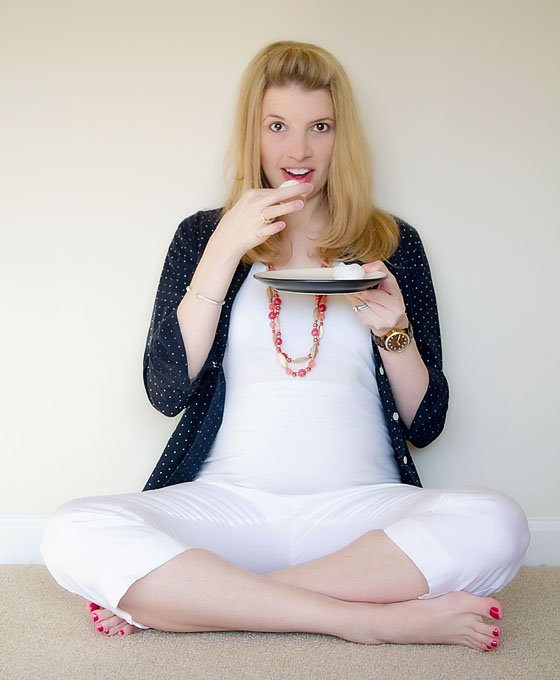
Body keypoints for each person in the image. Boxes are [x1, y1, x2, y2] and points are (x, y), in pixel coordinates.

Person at [41, 40, 529, 650]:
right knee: (71, 530)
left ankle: (202, 600)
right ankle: (367, 618)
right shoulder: (203, 236)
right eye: (278, 127)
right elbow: (165, 392)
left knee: (499, 522)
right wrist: (225, 247)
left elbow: (426, 425)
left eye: (319, 127)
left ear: (342, 136)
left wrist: (394, 331)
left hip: (359, 515)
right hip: (226, 509)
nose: (298, 151)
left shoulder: (392, 242)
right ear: (254, 133)